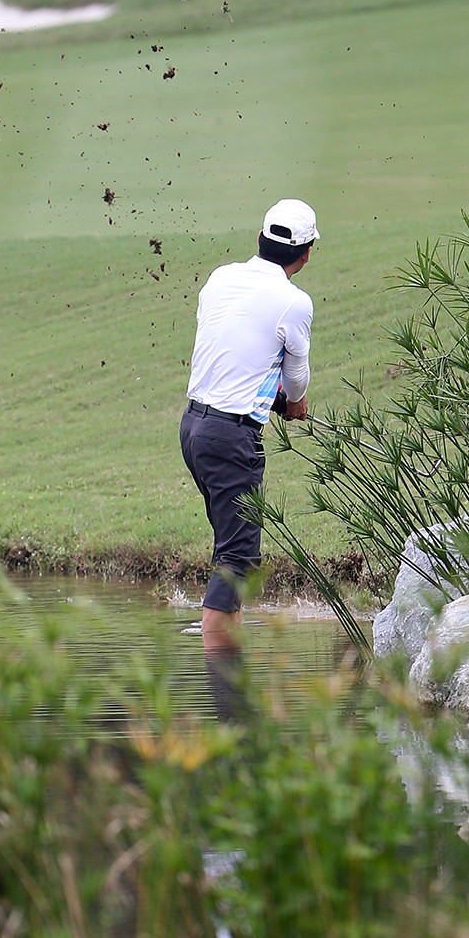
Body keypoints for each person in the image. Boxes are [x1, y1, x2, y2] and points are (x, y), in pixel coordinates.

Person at [180, 199, 318, 657]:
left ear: (259, 240)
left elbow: (237, 354)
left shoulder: (221, 278)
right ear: (307, 253)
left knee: (229, 552)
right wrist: (293, 404)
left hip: (194, 429)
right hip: (229, 439)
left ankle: (227, 660)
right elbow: (295, 378)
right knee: (238, 560)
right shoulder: (294, 302)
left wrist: (274, 398)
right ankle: (224, 685)